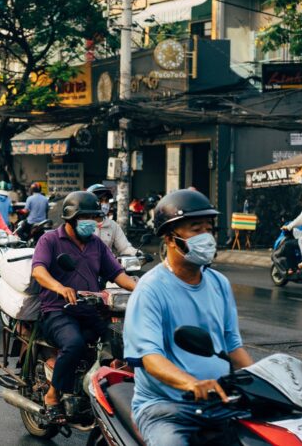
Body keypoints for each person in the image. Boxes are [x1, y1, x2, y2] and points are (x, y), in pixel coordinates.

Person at [124, 189, 253, 445]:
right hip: (166, 409)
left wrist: (266, 381)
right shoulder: (150, 290)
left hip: (220, 399)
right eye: (196, 229)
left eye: (209, 229)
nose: (207, 237)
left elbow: (233, 346)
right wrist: (192, 384)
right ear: (171, 239)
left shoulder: (219, 283)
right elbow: (150, 358)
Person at [31, 191, 138, 421]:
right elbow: (38, 270)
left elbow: (117, 273)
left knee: (119, 338)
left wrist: (141, 290)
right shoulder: (49, 240)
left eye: (94, 217)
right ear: (70, 218)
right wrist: (60, 288)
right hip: (57, 311)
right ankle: (53, 394)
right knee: (74, 343)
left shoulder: (97, 244)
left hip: (89, 309)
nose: (92, 222)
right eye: (85, 217)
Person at [88, 184, 138, 256]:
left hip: (108, 264)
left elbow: (124, 247)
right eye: (100, 200)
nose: (104, 204)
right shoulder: (83, 225)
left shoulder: (112, 225)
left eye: (106, 201)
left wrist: (137, 253)